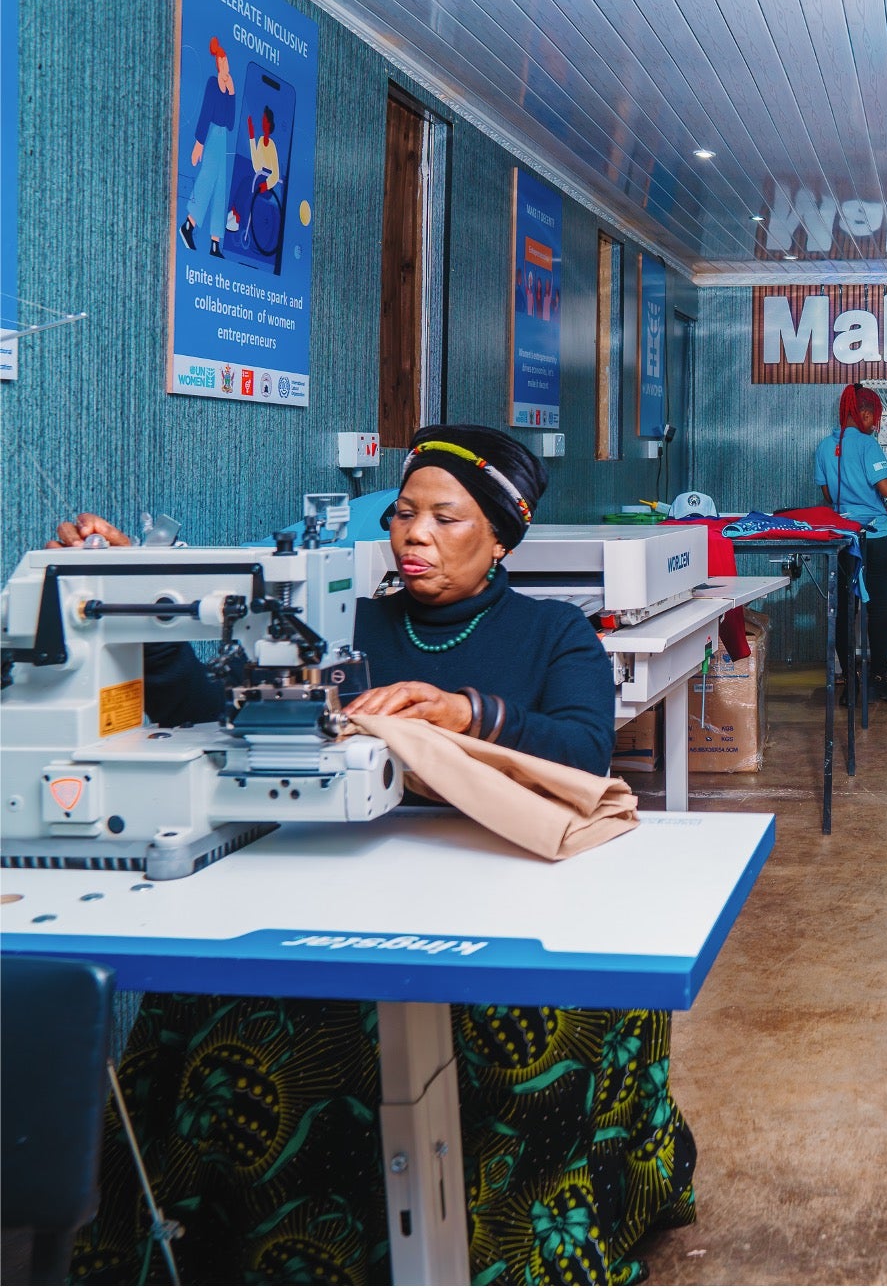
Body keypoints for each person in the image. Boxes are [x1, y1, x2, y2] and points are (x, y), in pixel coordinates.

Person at [65, 426, 697, 1284]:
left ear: (502, 535)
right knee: (228, 1003)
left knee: (519, 1027)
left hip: (499, 885)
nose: (416, 535)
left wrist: (470, 712)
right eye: (404, 514)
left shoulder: (555, 636)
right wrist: (136, 595)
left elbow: (585, 753)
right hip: (349, 877)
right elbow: (221, 706)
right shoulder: (345, 620)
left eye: (447, 517)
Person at [815, 381, 887, 703]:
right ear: (865, 413)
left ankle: (850, 682)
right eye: (876, 417)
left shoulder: (825, 447)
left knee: (844, 611)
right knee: (878, 609)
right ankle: (878, 680)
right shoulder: (869, 446)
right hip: (874, 538)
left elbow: (827, 495)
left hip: (842, 540)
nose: (877, 424)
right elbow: (886, 489)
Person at [178, 38, 236, 258]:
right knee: (206, 180)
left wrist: (231, 94)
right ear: (218, 64)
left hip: (222, 140)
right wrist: (199, 144)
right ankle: (188, 226)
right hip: (211, 135)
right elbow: (205, 114)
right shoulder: (212, 83)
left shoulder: (228, 87)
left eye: (227, 64)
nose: (226, 68)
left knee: (221, 187)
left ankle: (214, 243)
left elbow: (230, 123)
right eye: (223, 64)